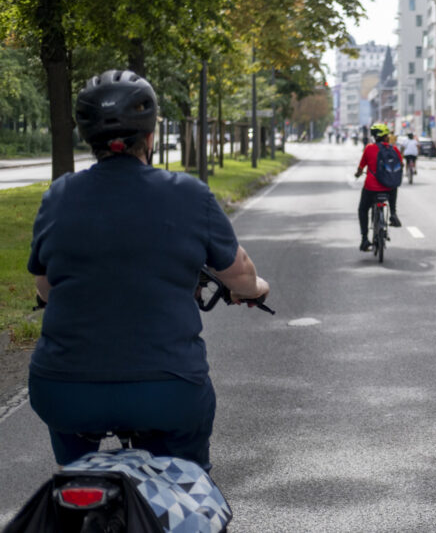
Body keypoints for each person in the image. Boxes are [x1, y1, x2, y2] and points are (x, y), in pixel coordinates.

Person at [26, 69, 270, 471]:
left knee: (71, 477)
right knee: (188, 489)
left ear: (86, 137)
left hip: (64, 390)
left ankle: (71, 493)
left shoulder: (58, 195)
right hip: (167, 390)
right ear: (151, 135)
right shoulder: (189, 194)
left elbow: (46, 286)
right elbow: (239, 274)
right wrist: (256, 288)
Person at [355, 122, 403, 251]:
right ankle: (393, 213)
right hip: (388, 189)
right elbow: (400, 165)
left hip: (371, 188)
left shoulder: (369, 148)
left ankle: (365, 239)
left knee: (363, 210)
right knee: (394, 185)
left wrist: (358, 173)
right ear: (385, 136)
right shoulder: (394, 149)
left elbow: (361, 167)